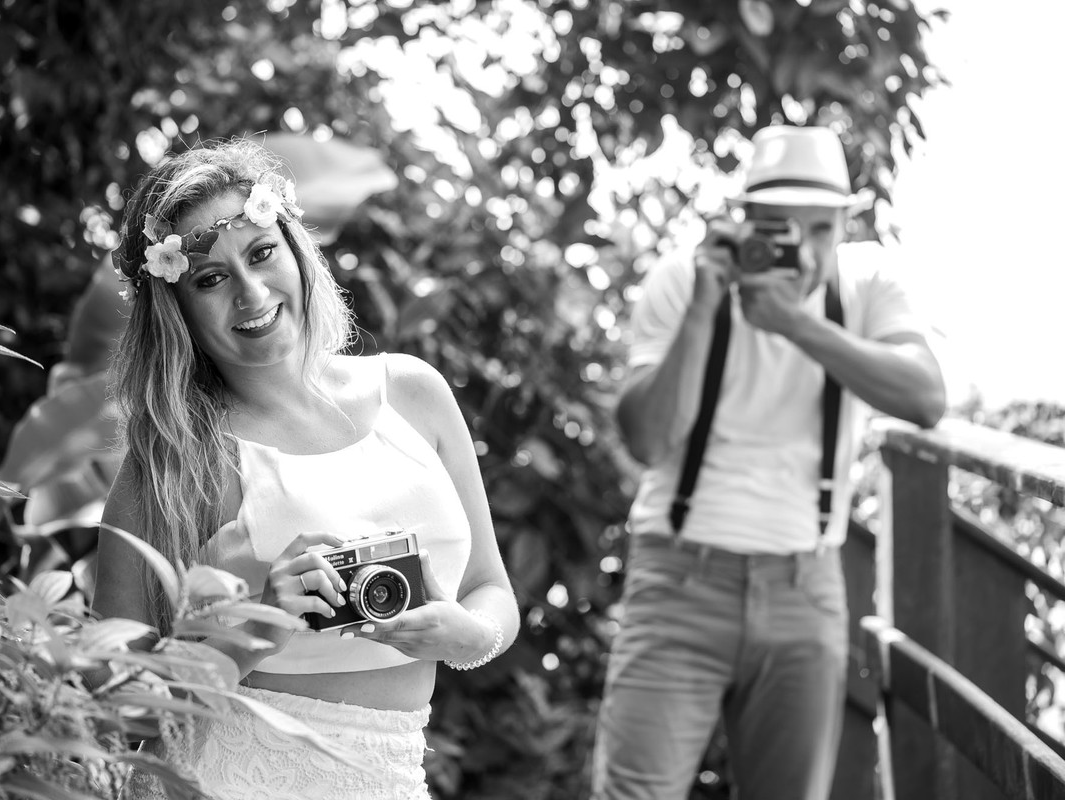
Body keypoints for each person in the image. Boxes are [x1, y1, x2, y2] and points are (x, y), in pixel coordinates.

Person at [90, 137, 519, 800]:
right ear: (176, 306)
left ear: (294, 248)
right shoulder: (175, 463)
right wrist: (248, 632)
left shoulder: (413, 392)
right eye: (211, 279)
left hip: (395, 774)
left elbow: (492, 588)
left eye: (261, 254)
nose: (251, 293)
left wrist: (472, 636)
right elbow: (113, 711)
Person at [590, 125, 946, 800]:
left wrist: (798, 324)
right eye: (781, 228)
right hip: (678, 579)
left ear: (845, 222)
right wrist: (705, 305)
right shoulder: (682, 281)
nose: (802, 252)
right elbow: (646, 439)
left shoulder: (867, 284)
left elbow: (925, 398)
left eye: (820, 229)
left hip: (804, 584)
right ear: (746, 222)